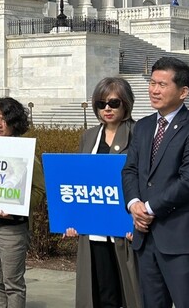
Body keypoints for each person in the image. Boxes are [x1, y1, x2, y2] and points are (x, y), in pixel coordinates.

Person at [122, 57, 189, 308]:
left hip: (179, 238)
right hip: (145, 238)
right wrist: (133, 204)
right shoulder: (142, 126)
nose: (154, 90)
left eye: (162, 84)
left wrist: (149, 209)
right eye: (152, 83)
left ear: (183, 92)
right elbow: (129, 170)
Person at [64, 78, 141, 308]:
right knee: (100, 290)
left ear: (126, 103)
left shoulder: (139, 133)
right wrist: (72, 219)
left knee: (129, 290)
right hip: (94, 230)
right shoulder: (89, 137)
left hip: (126, 229)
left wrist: (136, 222)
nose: (107, 108)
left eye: (114, 102)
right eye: (101, 103)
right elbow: (79, 182)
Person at [0, 97, 45, 308]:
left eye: (4, 119)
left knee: (12, 283)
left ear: (14, 123)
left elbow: (40, 190)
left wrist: (17, 205)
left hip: (11, 227)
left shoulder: (25, 153)